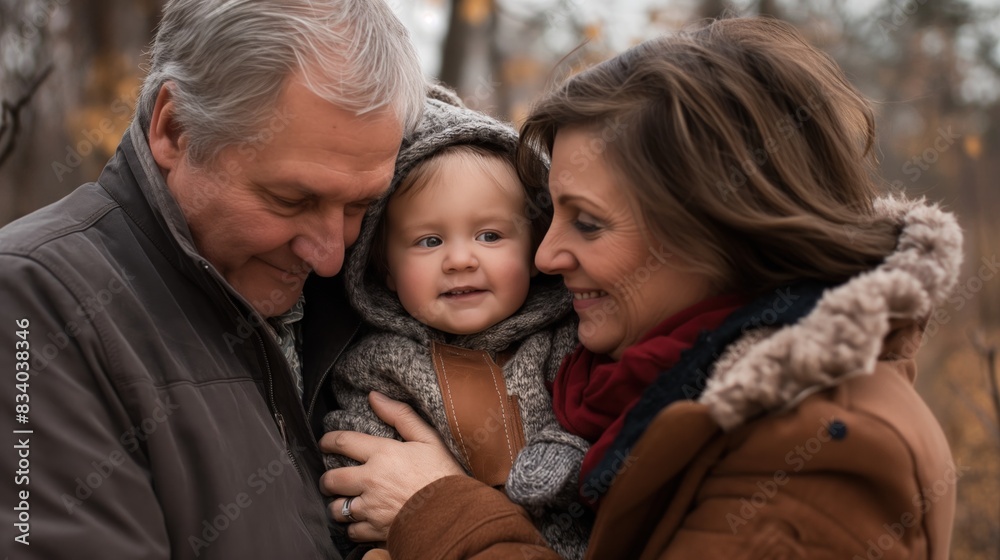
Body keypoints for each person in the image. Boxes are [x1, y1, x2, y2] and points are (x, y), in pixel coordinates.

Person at [319, 16, 962, 559]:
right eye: (551, 215)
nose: (546, 254)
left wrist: (439, 513)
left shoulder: (825, 448)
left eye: (588, 223)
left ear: (714, 226)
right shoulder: (633, 382)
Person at [0, 1, 423, 558]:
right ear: (175, 129)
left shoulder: (380, 285)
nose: (329, 256)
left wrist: (450, 508)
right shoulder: (33, 302)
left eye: (359, 206)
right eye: (292, 199)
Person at [322, 87, 590, 559]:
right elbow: (361, 460)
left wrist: (562, 452)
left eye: (490, 235)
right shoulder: (378, 365)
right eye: (428, 241)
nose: (460, 260)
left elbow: (596, 425)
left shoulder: (570, 341)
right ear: (383, 266)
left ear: (534, 250)